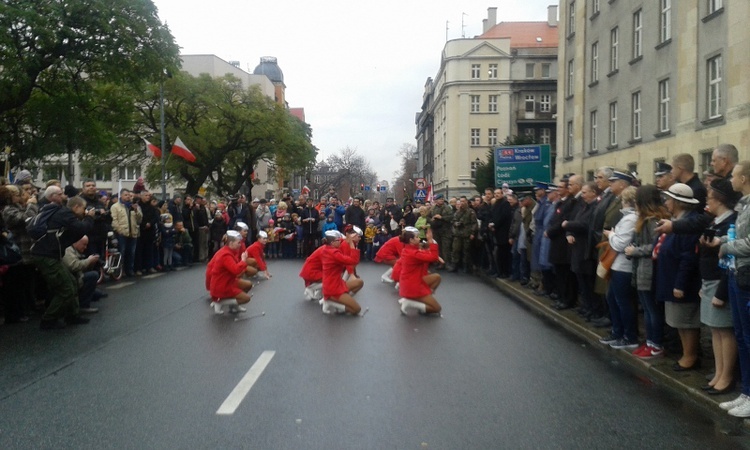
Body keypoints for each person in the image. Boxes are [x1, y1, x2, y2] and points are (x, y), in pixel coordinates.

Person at [32, 188, 96, 330]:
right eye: (83, 209)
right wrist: (90, 217)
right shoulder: (65, 213)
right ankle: (48, 319)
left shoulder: (62, 214)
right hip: (46, 255)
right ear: (76, 207)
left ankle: (72, 315)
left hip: (51, 254)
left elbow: (72, 235)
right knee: (65, 289)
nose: (85, 211)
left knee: (71, 283)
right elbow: (81, 229)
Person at [698, 178, 740, 395]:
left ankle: (727, 376)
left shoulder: (730, 222)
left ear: (719, 199)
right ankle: (719, 373)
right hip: (709, 280)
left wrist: (721, 292)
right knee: (715, 330)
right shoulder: (715, 221)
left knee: (725, 330)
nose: (707, 202)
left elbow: (729, 263)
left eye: (709, 197)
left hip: (720, 281)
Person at [655, 183, 702, 371]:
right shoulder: (678, 220)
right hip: (671, 277)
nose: (666, 203)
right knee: (679, 322)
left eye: (668, 200)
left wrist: (680, 284)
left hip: (682, 281)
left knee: (687, 321)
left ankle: (691, 356)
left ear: (678, 202)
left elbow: (688, 256)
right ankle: (686, 354)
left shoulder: (688, 224)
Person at [717, 161, 750, 417]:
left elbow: (748, 244)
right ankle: (746, 392)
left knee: (748, 338)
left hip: (746, 276)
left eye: (735, 176)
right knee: (741, 335)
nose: (731, 181)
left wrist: (726, 246)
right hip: (737, 274)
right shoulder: (744, 204)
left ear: (744, 178)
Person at [625, 185, 671, 359]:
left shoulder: (653, 220)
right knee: (647, 309)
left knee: (652, 310)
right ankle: (650, 341)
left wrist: (634, 251)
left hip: (649, 270)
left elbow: (655, 245)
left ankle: (656, 343)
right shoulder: (645, 219)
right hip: (642, 269)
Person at [599, 186, 638, 348]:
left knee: (623, 302)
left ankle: (629, 336)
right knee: (613, 299)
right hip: (618, 265)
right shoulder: (628, 218)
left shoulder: (631, 219)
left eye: (622, 200)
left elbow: (620, 244)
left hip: (623, 267)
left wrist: (612, 235)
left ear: (627, 201)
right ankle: (618, 332)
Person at [1, 184, 38, 323]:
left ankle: (26, 308)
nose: (19, 196)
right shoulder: (7, 210)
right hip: (16, 251)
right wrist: (31, 206)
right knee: (14, 285)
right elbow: (26, 219)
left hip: (26, 250)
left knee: (24, 282)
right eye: (16, 194)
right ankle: (14, 314)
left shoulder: (17, 207)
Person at [397, 227, 443, 315]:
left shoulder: (409, 249)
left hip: (412, 281)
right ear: (411, 240)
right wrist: (430, 241)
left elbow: (423, 254)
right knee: (437, 308)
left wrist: (433, 254)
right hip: (413, 285)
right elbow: (431, 257)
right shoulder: (413, 253)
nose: (419, 238)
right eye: (417, 237)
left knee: (436, 277)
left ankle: (422, 300)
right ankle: (411, 303)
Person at [208, 230, 253, 314]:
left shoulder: (228, 251)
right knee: (246, 298)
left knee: (248, 285)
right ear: (231, 243)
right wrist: (243, 261)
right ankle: (219, 302)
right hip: (222, 285)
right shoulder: (225, 255)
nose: (240, 244)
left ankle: (233, 306)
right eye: (238, 243)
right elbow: (236, 270)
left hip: (228, 281)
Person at [320, 230, 363, 315]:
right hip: (333, 288)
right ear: (332, 242)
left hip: (337, 283)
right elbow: (354, 260)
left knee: (359, 282)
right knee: (356, 309)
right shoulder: (334, 253)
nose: (340, 241)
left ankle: (342, 300)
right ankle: (332, 302)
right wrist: (351, 242)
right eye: (338, 240)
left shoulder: (328, 248)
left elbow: (342, 245)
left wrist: (348, 239)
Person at [62, 235, 100, 314]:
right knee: (93, 275)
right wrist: (88, 261)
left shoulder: (76, 250)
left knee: (98, 295)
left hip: (77, 277)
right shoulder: (68, 250)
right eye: (84, 244)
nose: (85, 247)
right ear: (76, 242)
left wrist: (91, 263)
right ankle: (83, 305)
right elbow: (73, 266)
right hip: (72, 279)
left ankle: (83, 299)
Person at [110, 188, 142, 277]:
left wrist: (136, 211)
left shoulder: (134, 206)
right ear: (121, 196)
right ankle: (121, 271)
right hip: (122, 234)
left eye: (129, 195)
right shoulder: (115, 206)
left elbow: (139, 220)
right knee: (122, 253)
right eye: (126, 195)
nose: (128, 197)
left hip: (133, 233)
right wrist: (120, 231)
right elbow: (114, 221)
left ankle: (130, 270)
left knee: (131, 253)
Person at [448, 196, 477, 273]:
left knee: (466, 250)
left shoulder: (471, 212)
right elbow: (453, 220)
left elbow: (474, 223)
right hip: (458, 234)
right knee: (455, 250)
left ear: (466, 202)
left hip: (466, 234)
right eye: (461, 201)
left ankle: (466, 266)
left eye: (463, 201)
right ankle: (455, 265)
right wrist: (456, 224)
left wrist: (472, 233)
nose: (462, 203)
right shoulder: (457, 212)